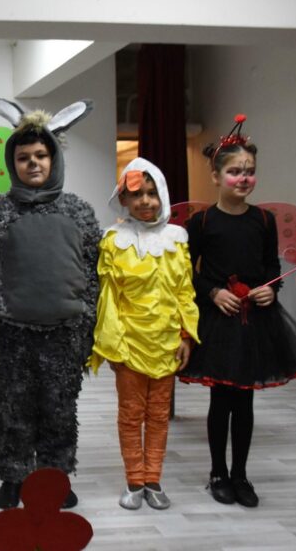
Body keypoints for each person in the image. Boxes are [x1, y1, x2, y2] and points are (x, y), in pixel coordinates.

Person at [179, 115, 296, 508]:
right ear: (216, 176)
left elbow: (271, 266)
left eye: (249, 171)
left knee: (246, 401)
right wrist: (213, 291)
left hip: (254, 320)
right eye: (234, 171)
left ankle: (241, 474)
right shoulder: (202, 222)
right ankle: (217, 472)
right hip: (219, 319)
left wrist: (272, 288)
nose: (243, 178)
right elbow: (187, 272)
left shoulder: (264, 220)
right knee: (221, 400)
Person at [0, 99, 100, 510]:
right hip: (12, 334)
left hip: (65, 334)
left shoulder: (79, 212)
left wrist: (89, 329)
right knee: (12, 409)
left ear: (54, 158)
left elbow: (94, 275)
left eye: (41, 156)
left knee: (60, 410)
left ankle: (54, 477)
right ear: (12, 163)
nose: (33, 163)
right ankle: (13, 476)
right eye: (24, 157)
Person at [89, 158, 199, 510]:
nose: (146, 201)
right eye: (137, 195)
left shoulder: (176, 239)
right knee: (130, 415)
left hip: (166, 344)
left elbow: (184, 291)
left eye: (152, 193)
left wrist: (185, 335)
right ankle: (134, 480)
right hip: (128, 345)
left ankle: (154, 478)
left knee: (158, 416)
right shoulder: (113, 240)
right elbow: (109, 297)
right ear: (123, 199)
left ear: (162, 194)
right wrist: (112, 344)